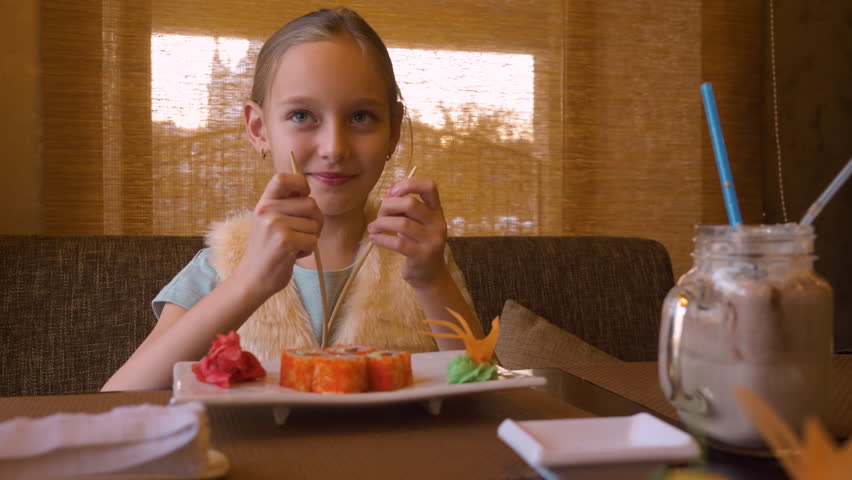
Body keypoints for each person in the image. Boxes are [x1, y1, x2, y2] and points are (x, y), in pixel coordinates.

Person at [102, 8, 482, 391]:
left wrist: (433, 281)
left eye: (361, 117)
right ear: (258, 129)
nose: (334, 148)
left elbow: (486, 390)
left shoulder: (421, 261)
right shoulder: (222, 263)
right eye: (302, 115)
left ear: (393, 131)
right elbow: (116, 399)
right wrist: (249, 281)